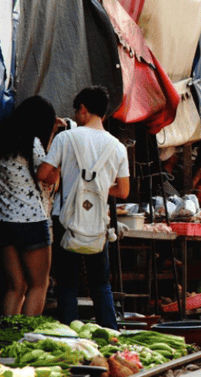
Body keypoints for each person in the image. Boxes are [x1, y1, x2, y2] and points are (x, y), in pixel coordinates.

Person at [37, 87, 129, 329]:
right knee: (101, 283)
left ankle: (69, 338)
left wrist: (64, 176)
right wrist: (99, 189)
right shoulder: (118, 147)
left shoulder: (65, 138)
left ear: (84, 109)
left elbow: (44, 174)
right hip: (98, 219)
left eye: (77, 111)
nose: (76, 116)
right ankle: (110, 334)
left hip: (64, 217)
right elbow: (123, 191)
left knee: (68, 283)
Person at [0, 96, 61, 316]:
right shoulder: (33, 143)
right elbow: (48, 176)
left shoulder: (4, 141)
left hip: (5, 222)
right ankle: (25, 340)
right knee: (38, 285)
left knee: (16, 287)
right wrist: (54, 137)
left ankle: (5, 339)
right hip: (32, 222)